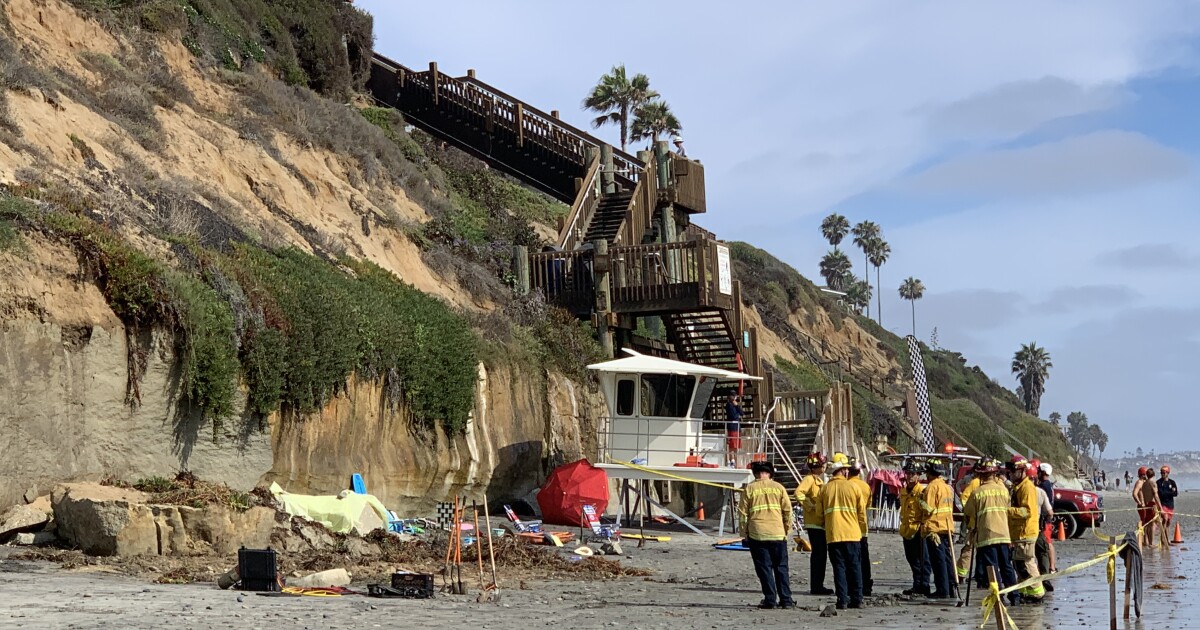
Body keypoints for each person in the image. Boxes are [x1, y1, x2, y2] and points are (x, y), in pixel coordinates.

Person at [738, 461, 795, 609]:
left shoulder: (749, 489)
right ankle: (786, 600)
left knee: (764, 568)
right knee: (781, 567)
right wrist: (786, 530)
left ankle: (770, 600)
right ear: (770, 473)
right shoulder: (779, 488)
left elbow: (743, 514)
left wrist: (744, 534)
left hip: (758, 534)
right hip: (778, 534)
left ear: (755, 473)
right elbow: (788, 512)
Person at [962, 457, 1019, 604]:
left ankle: (998, 598)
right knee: (1007, 567)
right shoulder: (1003, 490)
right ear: (995, 474)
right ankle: (1015, 597)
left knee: (992, 570)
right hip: (1004, 536)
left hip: (987, 536)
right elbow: (1007, 507)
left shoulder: (977, 493)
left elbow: (967, 511)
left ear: (980, 475)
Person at [818, 458, 865, 609]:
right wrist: (861, 529)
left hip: (833, 535)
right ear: (844, 470)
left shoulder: (825, 489)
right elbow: (862, 513)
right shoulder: (853, 487)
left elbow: (819, 514)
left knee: (839, 567)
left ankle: (842, 600)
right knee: (855, 567)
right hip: (852, 534)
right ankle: (857, 599)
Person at [1006, 456, 1045, 602]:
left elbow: (1026, 511)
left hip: (1026, 532)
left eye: (1013, 471)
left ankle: (1037, 593)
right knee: (1019, 564)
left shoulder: (1027, 487)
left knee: (1027, 563)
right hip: (1019, 532)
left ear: (1022, 471)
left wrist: (1008, 511)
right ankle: (1025, 591)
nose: (1010, 473)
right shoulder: (1019, 486)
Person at [794, 452, 834, 595]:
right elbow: (799, 493)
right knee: (819, 554)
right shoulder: (809, 479)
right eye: (822, 465)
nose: (824, 467)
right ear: (817, 467)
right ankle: (816, 586)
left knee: (821, 554)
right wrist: (810, 506)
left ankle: (818, 584)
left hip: (819, 522)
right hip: (814, 523)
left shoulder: (818, 481)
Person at [920, 458, 956, 599]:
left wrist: (920, 500)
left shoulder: (931, 487)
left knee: (938, 561)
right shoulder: (947, 487)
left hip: (934, 528)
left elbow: (928, 509)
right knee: (947, 560)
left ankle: (943, 590)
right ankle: (951, 588)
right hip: (946, 527)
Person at [899, 461, 931, 596]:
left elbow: (928, 510)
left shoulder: (921, 492)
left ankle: (924, 585)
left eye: (913, 474)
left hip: (918, 530)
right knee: (912, 559)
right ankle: (916, 585)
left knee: (923, 560)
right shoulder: (904, 491)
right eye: (908, 474)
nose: (910, 477)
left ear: (918, 476)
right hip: (907, 530)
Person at [847, 458, 873, 596]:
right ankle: (866, 586)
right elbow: (868, 505)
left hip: (849, 528)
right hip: (863, 528)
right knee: (864, 558)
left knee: (851, 559)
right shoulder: (865, 486)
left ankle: (853, 587)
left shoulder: (847, 485)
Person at [956, 465, 982, 583]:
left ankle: (977, 575)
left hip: (980, 525)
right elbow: (965, 497)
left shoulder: (976, 482)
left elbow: (964, 496)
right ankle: (963, 575)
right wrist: (969, 511)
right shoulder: (976, 483)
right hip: (979, 524)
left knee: (970, 550)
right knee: (972, 550)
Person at [1036, 463, 1057, 573]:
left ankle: (1051, 567)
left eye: (1038, 471)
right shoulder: (1048, 485)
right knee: (1048, 542)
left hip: (1045, 520)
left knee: (1047, 543)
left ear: (1043, 472)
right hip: (1046, 520)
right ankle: (1051, 566)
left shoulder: (1044, 486)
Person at [1134, 466, 1162, 543]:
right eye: (1145, 474)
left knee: (1147, 523)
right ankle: (1148, 542)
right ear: (1143, 474)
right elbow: (1134, 494)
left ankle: (1146, 541)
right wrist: (1140, 503)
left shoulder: (1144, 483)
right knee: (1149, 524)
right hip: (1144, 505)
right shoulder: (1140, 482)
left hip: (1146, 505)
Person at [1157, 466, 1178, 531]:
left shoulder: (1172, 482)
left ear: (1167, 473)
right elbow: (1161, 493)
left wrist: (1169, 492)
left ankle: (1166, 538)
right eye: (1161, 473)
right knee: (1165, 519)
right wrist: (1170, 491)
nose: (1162, 474)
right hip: (1162, 504)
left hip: (1170, 505)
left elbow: (1175, 494)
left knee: (1168, 522)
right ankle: (1163, 538)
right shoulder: (1159, 482)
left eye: (1164, 473)